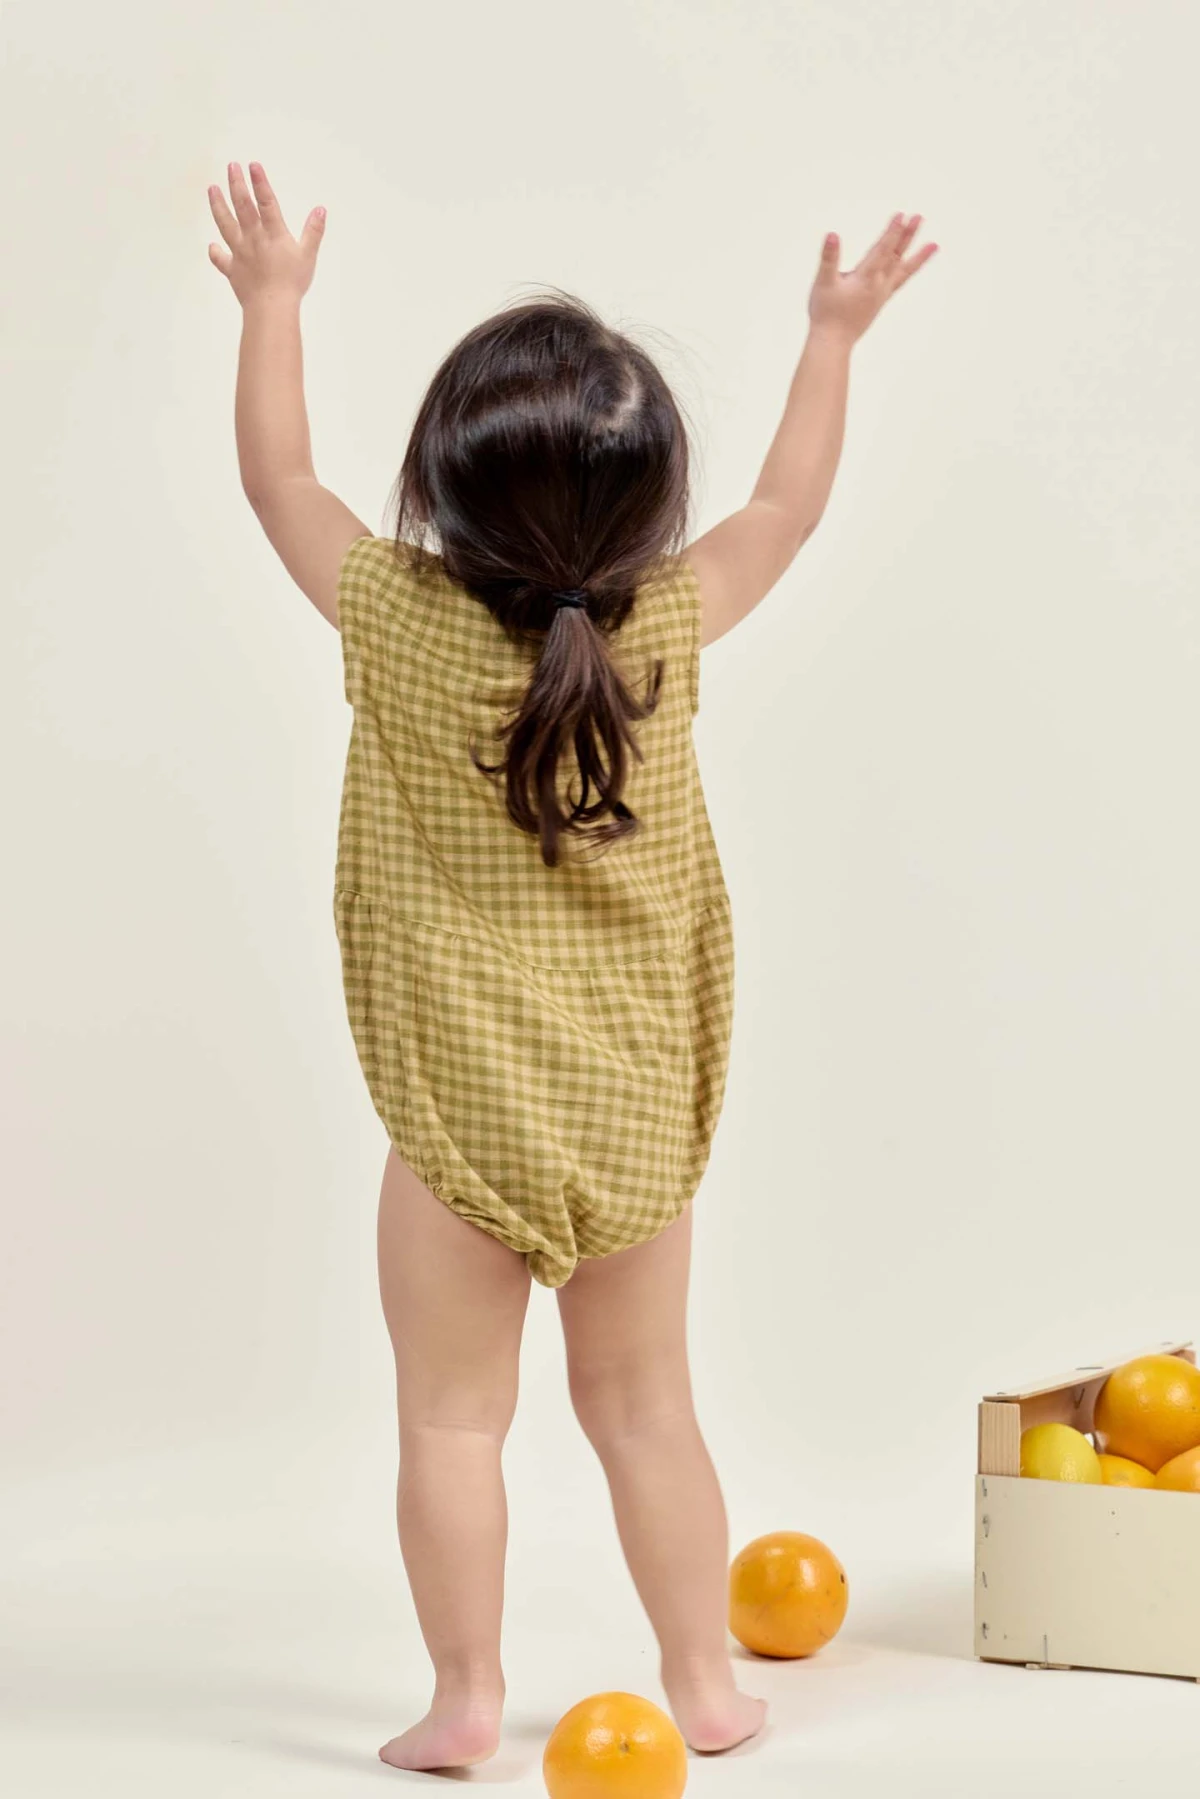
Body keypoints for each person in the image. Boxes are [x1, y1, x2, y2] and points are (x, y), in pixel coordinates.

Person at [206, 159, 937, 1773]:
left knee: (452, 1417)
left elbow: (279, 480)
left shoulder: (395, 621)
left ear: (439, 491)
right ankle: (707, 1682)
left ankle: (467, 1696)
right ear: (648, 513)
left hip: (460, 1120)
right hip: (630, 1120)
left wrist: (272, 302)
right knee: (647, 1408)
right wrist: (832, 336)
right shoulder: (663, 628)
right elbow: (786, 510)